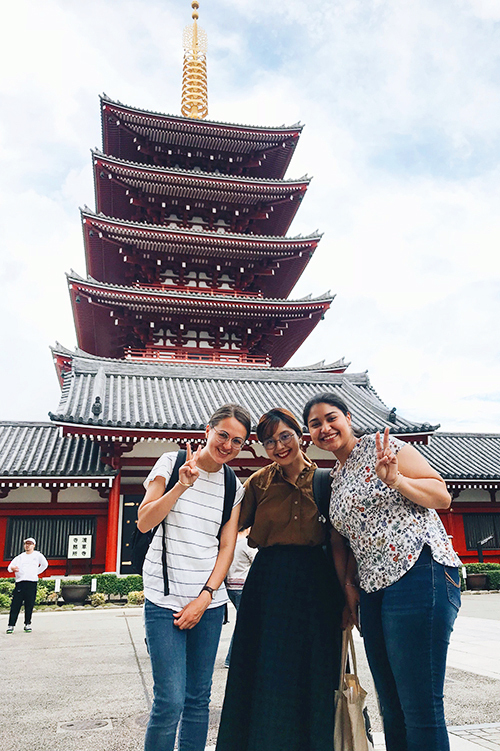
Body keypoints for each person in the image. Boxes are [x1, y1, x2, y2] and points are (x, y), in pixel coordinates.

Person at [303, 393, 462, 751]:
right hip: (374, 590)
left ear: (347, 417)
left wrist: (396, 480)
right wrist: (348, 586)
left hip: (419, 571)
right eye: (315, 424)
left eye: (331, 418)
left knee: (419, 705)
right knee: (391, 706)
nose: (325, 428)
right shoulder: (336, 477)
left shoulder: (384, 446)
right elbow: (346, 538)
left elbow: (442, 496)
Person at [216, 407, 344, 751]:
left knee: (316, 667)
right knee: (268, 668)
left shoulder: (326, 481)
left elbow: (339, 540)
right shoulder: (258, 483)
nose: (279, 446)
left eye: (285, 436)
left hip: (317, 583)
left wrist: (348, 594)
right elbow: (226, 527)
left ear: (300, 435)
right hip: (269, 582)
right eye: (269, 441)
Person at [137, 403, 251, 751]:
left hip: (209, 604)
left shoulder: (234, 486)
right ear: (207, 430)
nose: (228, 445)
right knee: (170, 701)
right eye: (223, 435)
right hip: (164, 599)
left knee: (199, 700)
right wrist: (181, 486)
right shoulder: (171, 464)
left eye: (238, 441)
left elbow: (227, 547)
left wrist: (205, 598)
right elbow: (144, 521)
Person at [224, 528, 256, 667]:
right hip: (243, 586)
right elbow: (255, 561)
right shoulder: (245, 544)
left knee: (242, 620)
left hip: (231, 587)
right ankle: (231, 658)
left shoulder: (231, 543)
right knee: (243, 622)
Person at [6, 537, 48, 633]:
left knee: (29, 604)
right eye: (26, 544)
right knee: (16, 604)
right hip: (20, 582)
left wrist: (36, 572)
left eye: (29, 544)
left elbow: (45, 564)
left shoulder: (37, 555)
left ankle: (27, 623)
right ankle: (11, 625)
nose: (27, 546)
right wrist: (13, 568)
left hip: (32, 582)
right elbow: (9, 567)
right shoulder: (20, 556)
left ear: (33, 545)